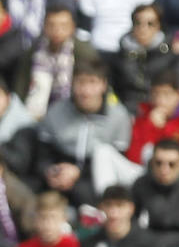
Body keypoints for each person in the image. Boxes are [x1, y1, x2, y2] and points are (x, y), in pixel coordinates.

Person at [34, 59, 139, 207]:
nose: (86, 91)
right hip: (60, 173)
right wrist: (51, 171)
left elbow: (118, 162)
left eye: (92, 82)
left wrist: (79, 172)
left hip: (96, 178)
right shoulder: (55, 112)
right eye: (81, 83)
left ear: (103, 85)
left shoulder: (118, 116)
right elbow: (42, 155)